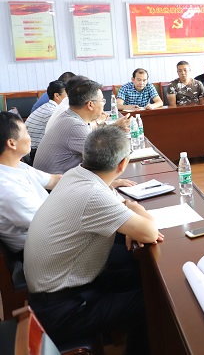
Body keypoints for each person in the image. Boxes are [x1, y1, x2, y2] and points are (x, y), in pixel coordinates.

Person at [24, 126, 162, 354]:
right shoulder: (93, 195)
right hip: (64, 309)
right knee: (153, 301)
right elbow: (149, 232)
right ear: (123, 164)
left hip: (60, 294)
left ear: (85, 155)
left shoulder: (76, 174)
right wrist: (136, 209)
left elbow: (116, 203)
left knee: (142, 278)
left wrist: (128, 216)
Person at [34, 79, 130, 174]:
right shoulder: (75, 126)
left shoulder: (68, 116)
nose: (103, 104)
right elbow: (105, 156)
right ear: (90, 105)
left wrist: (115, 127)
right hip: (57, 182)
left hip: (56, 179)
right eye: (102, 101)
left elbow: (91, 133)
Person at [0, 111, 61, 253]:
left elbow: (53, 180)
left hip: (51, 227)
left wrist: (91, 181)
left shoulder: (17, 165)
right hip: (42, 249)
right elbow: (51, 225)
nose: (30, 137)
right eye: (26, 132)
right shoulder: (8, 190)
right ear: (12, 143)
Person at [25, 80, 66, 163]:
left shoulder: (46, 106)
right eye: (67, 95)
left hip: (31, 151)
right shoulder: (53, 112)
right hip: (37, 154)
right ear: (57, 96)